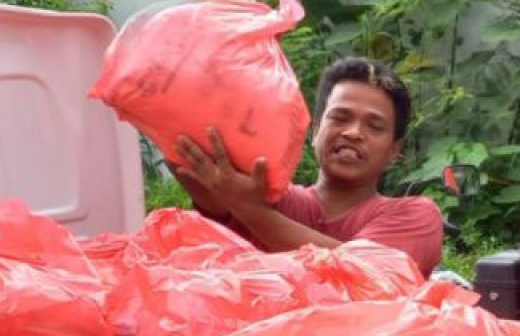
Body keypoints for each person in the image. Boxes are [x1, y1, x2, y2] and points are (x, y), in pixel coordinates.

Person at [168, 57, 444, 276]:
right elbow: (185, 150)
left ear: (394, 150)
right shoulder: (268, 196)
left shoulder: (415, 217)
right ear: (315, 132)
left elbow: (362, 276)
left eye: (374, 126)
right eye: (340, 117)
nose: (353, 132)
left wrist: (250, 210)